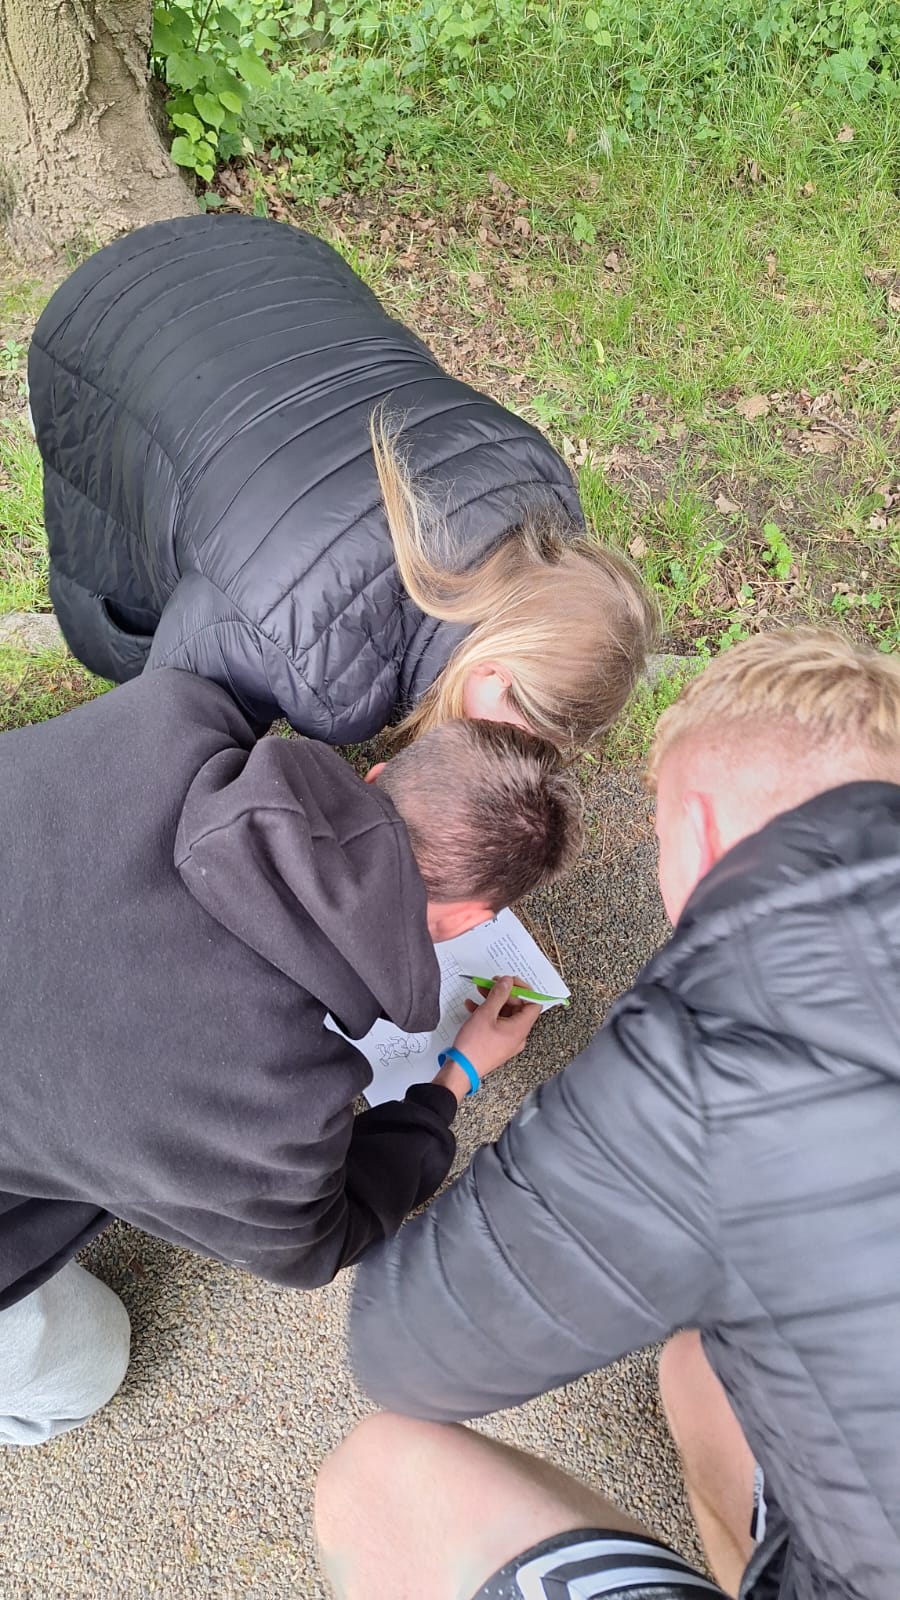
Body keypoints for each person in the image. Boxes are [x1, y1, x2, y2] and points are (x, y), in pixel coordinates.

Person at [319, 628, 900, 1600]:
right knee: (699, 1366)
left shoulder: (715, 1049)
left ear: (698, 830)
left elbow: (402, 1351)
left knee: (379, 1486)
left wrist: (460, 1076)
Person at [0, 666, 582, 1447]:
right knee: (89, 1362)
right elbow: (315, 1244)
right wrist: (452, 1080)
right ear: (472, 921)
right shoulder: (275, 1100)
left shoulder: (171, 713)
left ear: (377, 775)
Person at [27, 214, 655, 748]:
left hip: (273, 262)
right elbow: (169, 739)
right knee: (139, 585)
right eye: (522, 740)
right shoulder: (294, 632)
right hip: (108, 327)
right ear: (494, 677)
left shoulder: (538, 482)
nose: (521, 756)